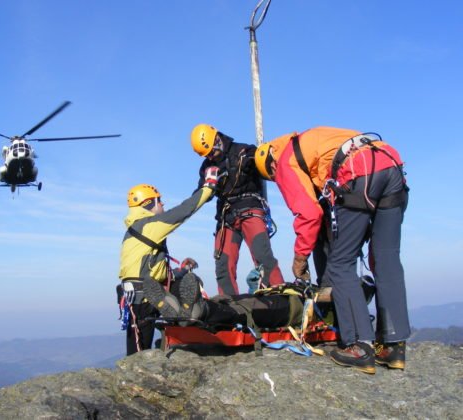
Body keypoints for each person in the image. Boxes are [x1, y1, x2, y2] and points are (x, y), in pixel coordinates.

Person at [254, 126, 410, 373]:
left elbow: (309, 214)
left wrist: (300, 258)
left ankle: (360, 345)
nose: (277, 179)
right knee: (386, 258)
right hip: (390, 162)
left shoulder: (284, 161)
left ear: (270, 164)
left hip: (359, 172)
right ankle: (393, 346)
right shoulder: (313, 140)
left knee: (340, 265)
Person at [118, 173, 221, 355]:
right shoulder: (149, 225)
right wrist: (209, 187)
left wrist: (180, 271)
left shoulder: (137, 229)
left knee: (139, 346)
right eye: (159, 201)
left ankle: (182, 313)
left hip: (141, 292)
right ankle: (186, 315)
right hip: (143, 295)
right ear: (148, 204)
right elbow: (184, 210)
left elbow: (150, 268)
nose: (163, 204)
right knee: (139, 351)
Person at [190, 124, 285, 295]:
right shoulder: (206, 167)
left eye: (211, 151)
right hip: (226, 217)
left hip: (250, 208)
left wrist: (261, 159)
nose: (211, 156)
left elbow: (268, 168)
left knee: (263, 257)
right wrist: (207, 186)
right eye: (207, 154)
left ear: (217, 139)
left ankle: (281, 299)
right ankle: (229, 308)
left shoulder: (243, 151)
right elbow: (200, 194)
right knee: (223, 267)